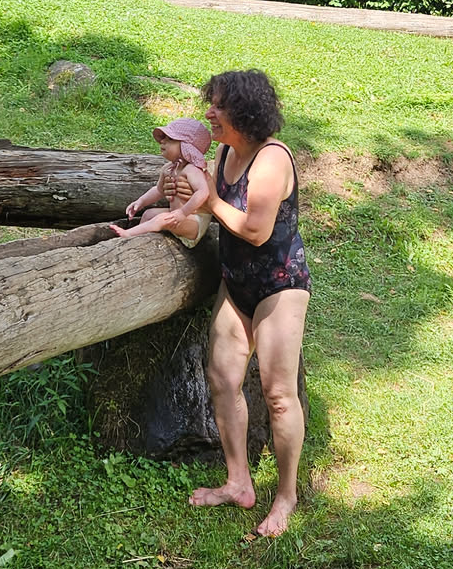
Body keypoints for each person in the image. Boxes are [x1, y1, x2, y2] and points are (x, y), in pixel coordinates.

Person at [190, 69, 311, 537]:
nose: (209, 113)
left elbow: (256, 231)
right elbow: (209, 204)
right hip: (236, 282)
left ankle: (286, 496)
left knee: (279, 396)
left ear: (244, 113)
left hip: (279, 286)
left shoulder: (272, 159)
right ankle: (238, 481)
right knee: (222, 379)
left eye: (219, 106)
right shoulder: (226, 151)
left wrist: (209, 200)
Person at [112, 118, 212, 244]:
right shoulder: (168, 168)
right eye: (163, 138)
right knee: (148, 214)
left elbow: (203, 192)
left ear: (186, 147)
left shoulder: (192, 170)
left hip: (193, 221)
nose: (163, 141)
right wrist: (140, 202)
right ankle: (138, 241)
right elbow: (159, 190)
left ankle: (128, 234)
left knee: (162, 219)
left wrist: (182, 213)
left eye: (170, 139)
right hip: (175, 215)